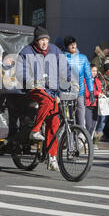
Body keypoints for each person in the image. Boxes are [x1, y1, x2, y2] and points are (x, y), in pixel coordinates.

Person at [16, 27, 70, 172]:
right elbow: (21, 71)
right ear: (36, 40)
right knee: (46, 101)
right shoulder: (26, 52)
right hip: (34, 88)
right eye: (41, 40)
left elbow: (65, 67)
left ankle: (52, 158)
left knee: (54, 122)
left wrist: (71, 81)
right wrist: (30, 80)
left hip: (52, 91)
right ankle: (35, 130)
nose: (44, 42)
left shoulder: (55, 50)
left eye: (46, 39)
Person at [63, 36, 95, 128]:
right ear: (66, 47)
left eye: (74, 44)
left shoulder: (83, 58)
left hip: (80, 93)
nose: (73, 46)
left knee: (81, 120)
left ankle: (80, 140)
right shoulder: (62, 57)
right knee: (68, 120)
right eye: (70, 45)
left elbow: (88, 76)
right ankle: (67, 139)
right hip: (66, 93)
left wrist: (91, 91)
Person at [84, 64, 104, 149]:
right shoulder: (85, 80)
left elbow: (100, 91)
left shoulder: (98, 81)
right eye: (93, 71)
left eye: (95, 71)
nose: (94, 73)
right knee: (88, 125)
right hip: (88, 104)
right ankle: (85, 141)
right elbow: (86, 93)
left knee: (93, 125)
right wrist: (97, 93)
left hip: (96, 105)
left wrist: (102, 94)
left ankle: (89, 141)